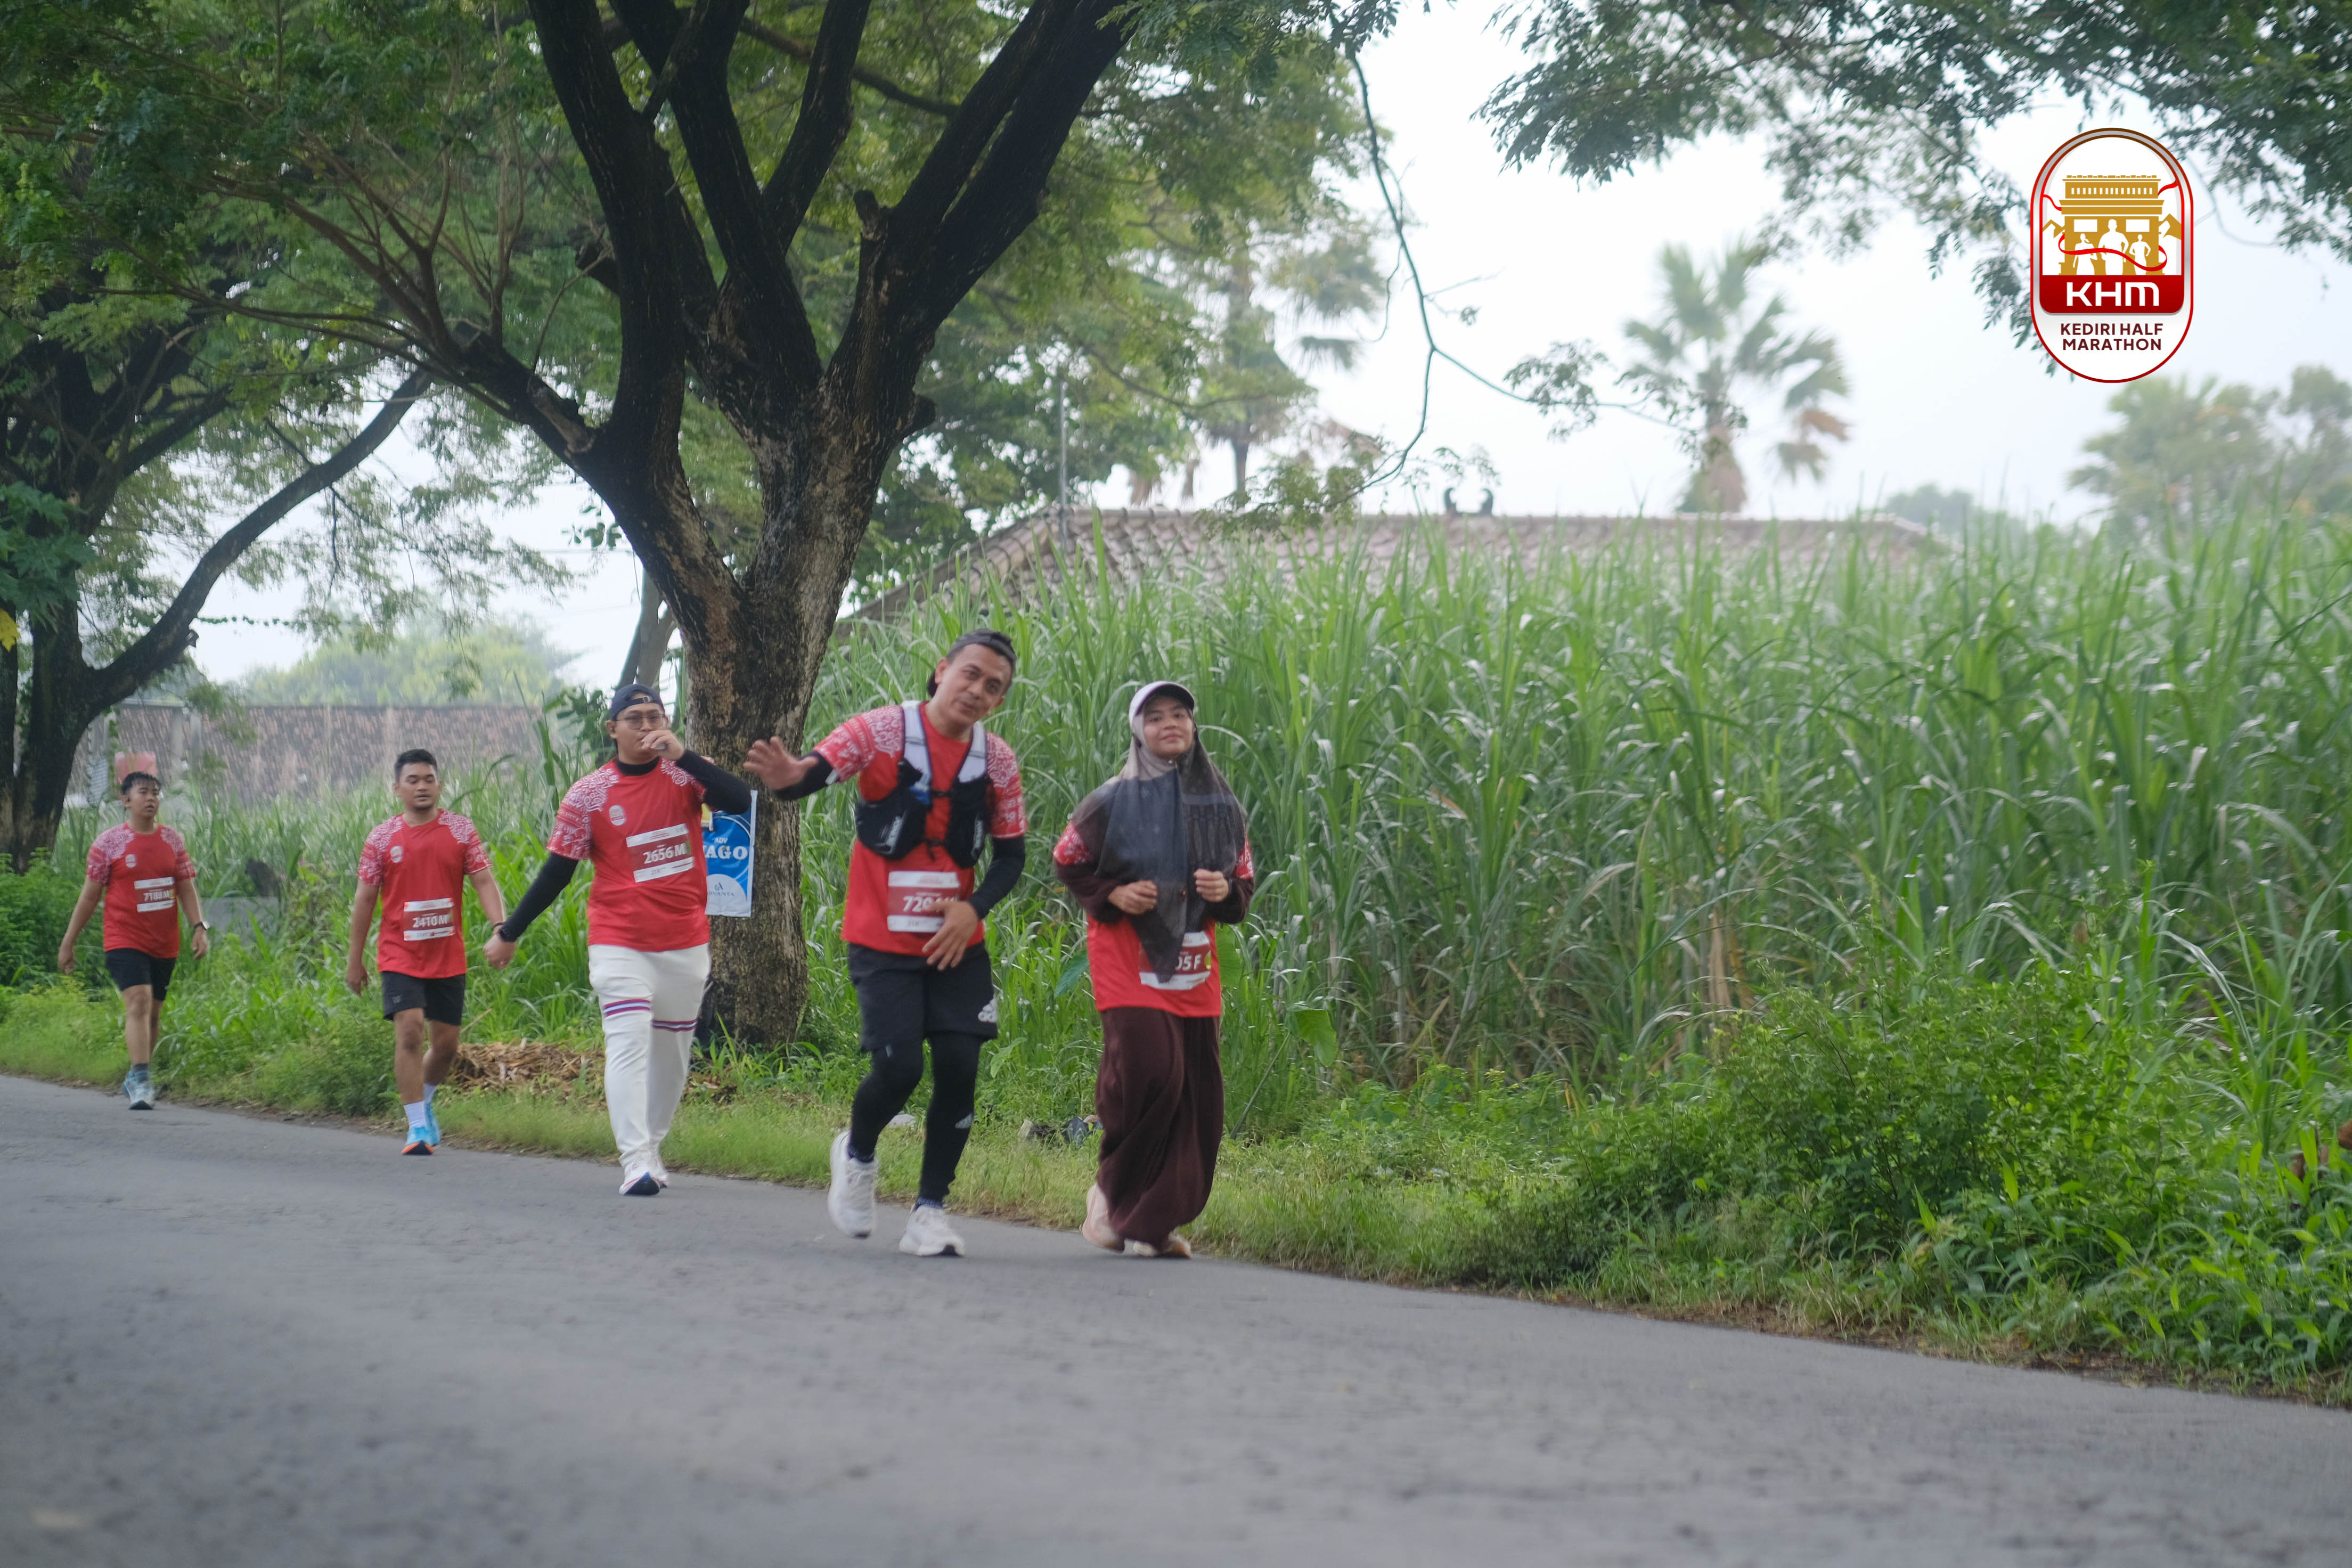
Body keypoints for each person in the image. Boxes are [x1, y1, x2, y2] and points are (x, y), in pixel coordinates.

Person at [745, 630, 1027, 1258]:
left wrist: (974, 908)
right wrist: (788, 777)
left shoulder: (998, 761)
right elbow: (809, 774)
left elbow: (1012, 857)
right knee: (900, 1068)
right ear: (943, 669)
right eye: (971, 674)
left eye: (993, 686)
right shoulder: (880, 731)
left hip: (955, 942)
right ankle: (858, 1154)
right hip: (882, 939)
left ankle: (931, 1212)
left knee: (959, 1066)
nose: (977, 690)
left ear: (999, 701)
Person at [484, 683, 753, 1195]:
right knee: (628, 1043)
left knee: (672, 1053)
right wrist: (510, 932)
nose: (648, 726)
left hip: (685, 940)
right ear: (613, 729)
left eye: (656, 716)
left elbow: (739, 801)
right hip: (620, 941)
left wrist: (684, 756)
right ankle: (635, 1161)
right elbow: (557, 872)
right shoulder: (588, 795)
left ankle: (652, 1146)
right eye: (635, 719)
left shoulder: (687, 773)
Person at [1052, 681, 1253, 1257]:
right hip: (1127, 958)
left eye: (1180, 714)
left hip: (1193, 967)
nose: (1170, 724)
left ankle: (1149, 1225)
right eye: (1156, 716)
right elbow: (1068, 860)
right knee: (1150, 1072)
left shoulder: (1223, 806)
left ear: (1194, 726)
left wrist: (1224, 892)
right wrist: (1113, 894)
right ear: (1138, 731)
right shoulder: (1109, 801)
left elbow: (1243, 880)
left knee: (1196, 1095)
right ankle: (1111, 1194)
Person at [344, 749, 508, 1156]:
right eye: (413, 780)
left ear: (440, 785)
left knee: (447, 1045)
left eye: (428, 779)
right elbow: (364, 900)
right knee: (410, 1029)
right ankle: (416, 1126)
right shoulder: (382, 838)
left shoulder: (460, 830)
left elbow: (484, 881)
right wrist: (355, 960)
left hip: (447, 954)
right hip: (399, 953)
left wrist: (500, 928)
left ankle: (426, 1102)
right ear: (397, 788)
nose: (422, 787)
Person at [57, 771, 208, 1109]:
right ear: (126, 800)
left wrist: (199, 927)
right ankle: (142, 1080)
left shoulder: (173, 841)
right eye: (144, 792)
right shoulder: (108, 844)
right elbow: (89, 898)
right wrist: (69, 942)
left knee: (153, 1013)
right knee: (139, 1002)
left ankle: (136, 1075)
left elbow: (186, 888)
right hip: (123, 938)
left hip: (164, 942)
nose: (152, 798)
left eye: (156, 792)